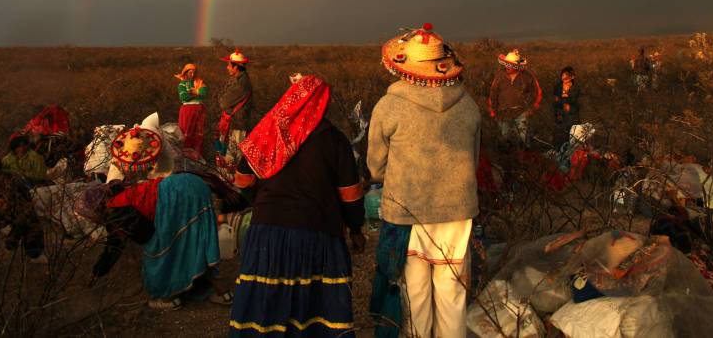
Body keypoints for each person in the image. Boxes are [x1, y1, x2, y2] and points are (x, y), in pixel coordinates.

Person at [228, 74, 365, 337]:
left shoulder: (266, 130)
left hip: (267, 231)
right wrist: (356, 229)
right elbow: (350, 195)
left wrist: (259, 204)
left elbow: (243, 181)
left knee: (266, 304)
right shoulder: (334, 140)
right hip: (318, 233)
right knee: (314, 308)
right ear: (322, 103)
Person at [368, 24, 480, 338]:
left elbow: (376, 168)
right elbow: (473, 157)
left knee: (414, 295)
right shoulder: (469, 106)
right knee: (453, 295)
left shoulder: (388, 106)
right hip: (457, 213)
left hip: (408, 214)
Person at [91, 174, 229, 310]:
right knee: (197, 244)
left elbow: (146, 235)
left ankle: (168, 298)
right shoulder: (123, 193)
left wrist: (98, 272)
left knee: (158, 255)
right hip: (192, 184)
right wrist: (98, 270)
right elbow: (114, 244)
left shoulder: (116, 210)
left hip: (176, 196)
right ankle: (224, 294)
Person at [487, 49, 542, 147]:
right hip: (503, 113)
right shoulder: (500, 76)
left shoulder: (527, 76)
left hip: (521, 113)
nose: (507, 66)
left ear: (516, 66)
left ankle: (524, 159)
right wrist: (493, 112)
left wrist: (531, 110)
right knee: (504, 141)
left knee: (523, 141)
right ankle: (508, 160)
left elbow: (537, 93)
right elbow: (493, 94)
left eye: (510, 65)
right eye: (506, 64)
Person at [217, 50, 257, 166]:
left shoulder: (241, 84)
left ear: (236, 67)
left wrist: (225, 103)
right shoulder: (238, 80)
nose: (227, 67)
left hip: (238, 125)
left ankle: (233, 182)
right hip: (236, 123)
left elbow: (224, 102)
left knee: (233, 158)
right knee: (230, 155)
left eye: (229, 65)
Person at [175, 63, 209, 157]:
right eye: (190, 72)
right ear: (185, 73)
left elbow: (204, 93)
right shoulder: (182, 84)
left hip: (199, 109)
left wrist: (195, 92)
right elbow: (184, 97)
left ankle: (197, 155)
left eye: (194, 72)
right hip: (187, 110)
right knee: (186, 132)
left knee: (198, 133)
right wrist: (197, 93)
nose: (192, 75)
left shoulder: (199, 82)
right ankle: (185, 155)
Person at [552, 66, 582, 144]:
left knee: (572, 136)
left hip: (572, 116)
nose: (563, 79)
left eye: (566, 78)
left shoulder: (576, 88)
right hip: (561, 115)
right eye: (562, 77)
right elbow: (555, 102)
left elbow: (579, 103)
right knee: (560, 136)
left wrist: (570, 107)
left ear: (572, 77)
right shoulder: (558, 87)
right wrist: (559, 110)